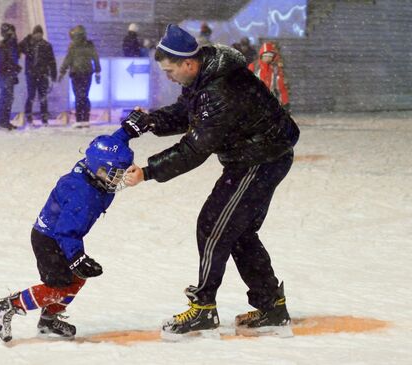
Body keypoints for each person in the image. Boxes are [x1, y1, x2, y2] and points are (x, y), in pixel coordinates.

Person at [120, 24, 300, 338]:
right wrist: (151, 120)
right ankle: (271, 306)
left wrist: (148, 171)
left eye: (169, 70)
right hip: (255, 154)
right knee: (238, 232)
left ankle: (204, 308)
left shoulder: (221, 90)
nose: (168, 77)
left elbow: (194, 148)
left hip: (261, 158)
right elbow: (188, 112)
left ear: (188, 64)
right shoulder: (205, 74)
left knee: (213, 224)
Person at [0, 129, 134, 344]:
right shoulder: (83, 194)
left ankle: (48, 320)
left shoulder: (91, 170)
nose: (117, 178)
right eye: (114, 173)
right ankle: (6, 307)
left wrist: (126, 131)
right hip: (50, 239)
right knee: (59, 286)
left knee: (78, 277)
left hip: (61, 237)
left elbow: (109, 146)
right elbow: (66, 231)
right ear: (99, 169)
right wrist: (77, 257)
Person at [58, 25, 101, 127]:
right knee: (84, 95)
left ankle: (79, 119)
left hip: (76, 73)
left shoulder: (73, 46)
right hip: (86, 73)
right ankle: (85, 118)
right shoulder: (89, 45)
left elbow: (68, 60)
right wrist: (98, 72)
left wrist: (62, 72)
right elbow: (95, 58)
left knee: (79, 96)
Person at [19, 25, 57, 125]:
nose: (38, 35)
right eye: (36, 33)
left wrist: (53, 73)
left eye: (40, 33)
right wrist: (27, 39)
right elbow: (20, 47)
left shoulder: (46, 45)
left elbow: (51, 61)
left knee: (42, 96)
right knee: (31, 95)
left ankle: (44, 118)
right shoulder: (29, 44)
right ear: (33, 34)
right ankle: (29, 117)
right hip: (31, 74)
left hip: (42, 74)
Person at [0, 23, 22, 131]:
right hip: (5, 74)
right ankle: (1, 122)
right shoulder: (1, 45)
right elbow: (3, 62)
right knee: (5, 98)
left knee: (8, 98)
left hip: (9, 74)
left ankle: (4, 121)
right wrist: (14, 67)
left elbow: (15, 55)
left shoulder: (11, 45)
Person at [248, 42, 290, 111]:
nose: (268, 58)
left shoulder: (275, 70)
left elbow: (281, 88)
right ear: (261, 55)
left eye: (270, 56)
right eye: (266, 55)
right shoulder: (254, 67)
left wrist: (285, 103)